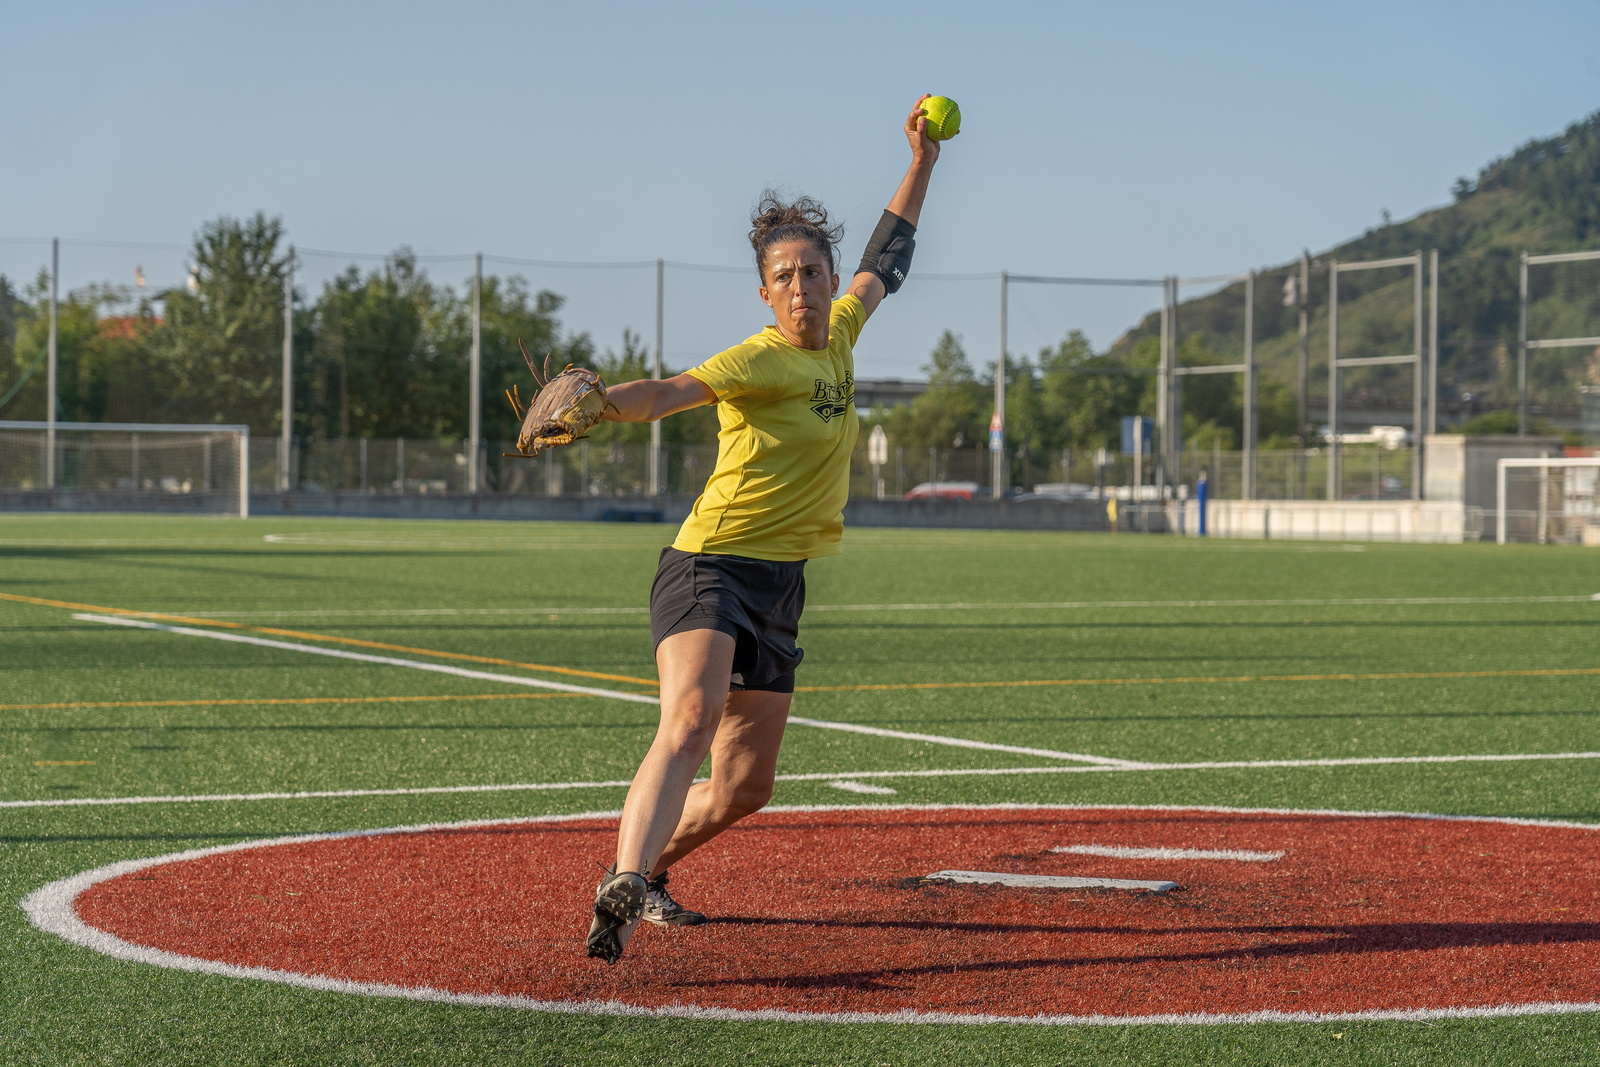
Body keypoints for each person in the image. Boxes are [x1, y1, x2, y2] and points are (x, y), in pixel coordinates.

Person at [583, 96, 950, 964]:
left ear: (828, 278)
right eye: (782, 276)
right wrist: (600, 406)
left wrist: (924, 163)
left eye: (811, 271)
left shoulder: (844, 334)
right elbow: (670, 393)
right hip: (708, 564)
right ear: (765, 292)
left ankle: (640, 876)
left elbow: (887, 255)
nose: (800, 286)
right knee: (690, 718)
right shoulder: (759, 357)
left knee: (745, 786)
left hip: (781, 580)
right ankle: (621, 883)